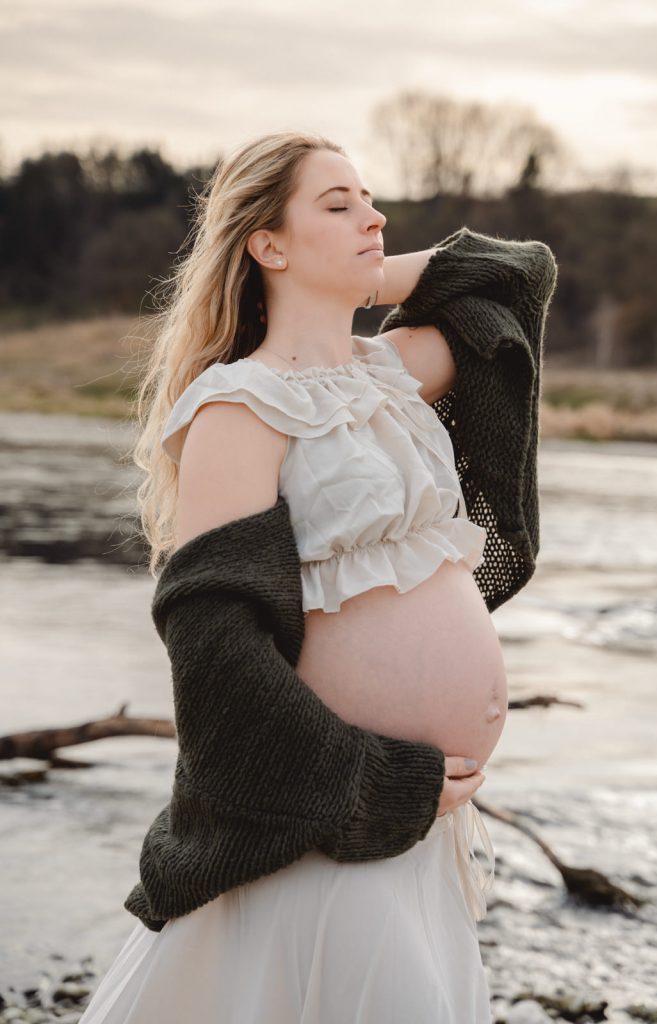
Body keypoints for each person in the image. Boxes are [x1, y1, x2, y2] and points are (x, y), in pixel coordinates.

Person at [78, 128, 558, 1023]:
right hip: (327, 824)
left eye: (370, 200)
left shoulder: (394, 372)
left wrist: (365, 272)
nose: (372, 216)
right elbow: (214, 650)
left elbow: (517, 273)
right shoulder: (239, 408)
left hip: (412, 826)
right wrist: (371, 783)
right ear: (267, 245)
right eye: (337, 205)